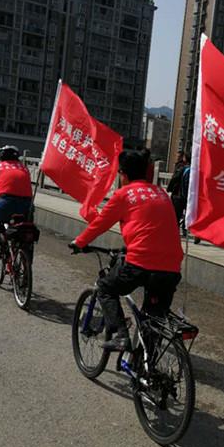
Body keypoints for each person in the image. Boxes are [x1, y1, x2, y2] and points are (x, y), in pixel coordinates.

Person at [71, 149, 183, 351]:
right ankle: (147, 366)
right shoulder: (161, 193)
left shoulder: (124, 195)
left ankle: (121, 335)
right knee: (153, 319)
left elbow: (99, 224)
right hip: (172, 268)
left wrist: (79, 242)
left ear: (123, 174)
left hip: (141, 263)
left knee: (105, 288)